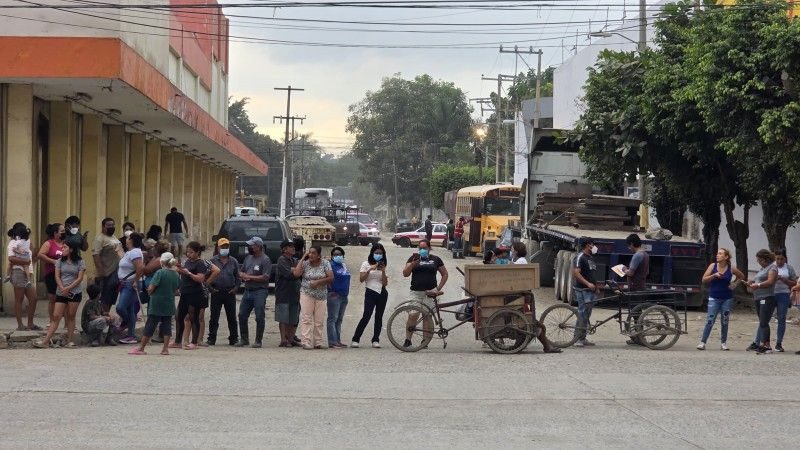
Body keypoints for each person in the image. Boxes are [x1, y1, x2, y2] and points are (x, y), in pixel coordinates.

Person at [33, 241, 86, 348]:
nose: (62, 249)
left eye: (65, 247)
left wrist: (68, 288)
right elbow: (57, 276)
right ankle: (45, 341)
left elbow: (79, 278)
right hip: (61, 292)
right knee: (56, 316)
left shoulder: (80, 262)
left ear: (71, 249)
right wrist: (62, 287)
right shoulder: (59, 261)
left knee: (71, 316)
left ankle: (70, 341)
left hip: (74, 292)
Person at [129, 252, 181, 356]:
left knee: (151, 324)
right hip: (169, 302)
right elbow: (176, 289)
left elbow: (151, 288)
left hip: (157, 302)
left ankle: (141, 348)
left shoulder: (160, 273)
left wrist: (149, 291)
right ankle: (165, 349)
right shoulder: (176, 274)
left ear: (162, 262)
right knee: (167, 325)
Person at [698, 248, 747, 351]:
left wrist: (735, 284)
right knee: (710, 320)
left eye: (720, 254)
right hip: (714, 297)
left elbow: (741, 276)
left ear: (726, 257)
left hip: (727, 298)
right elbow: (703, 280)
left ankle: (723, 343)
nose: (717, 255)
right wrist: (714, 275)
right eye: (717, 253)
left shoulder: (731, 268)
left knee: (725, 320)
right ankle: (703, 342)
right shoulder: (713, 266)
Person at [401, 239, 448, 348]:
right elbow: (405, 274)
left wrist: (438, 289)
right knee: (413, 315)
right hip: (416, 292)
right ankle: (408, 340)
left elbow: (445, 274)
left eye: (424, 248)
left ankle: (425, 341)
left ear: (429, 248)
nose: (422, 250)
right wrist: (412, 264)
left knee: (427, 316)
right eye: (420, 248)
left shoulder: (435, 259)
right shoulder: (413, 258)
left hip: (430, 292)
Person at [173, 241, 218, 350]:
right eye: (187, 252)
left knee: (194, 317)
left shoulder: (200, 263)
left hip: (195, 293)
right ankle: (177, 341)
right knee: (179, 316)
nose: (188, 254)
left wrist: (188, 273)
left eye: (191, 252)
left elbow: (200, 278)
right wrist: (180, 269)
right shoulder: (187, 261)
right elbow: (182, 272)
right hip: (185, 292)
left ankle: (194, 342)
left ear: (198, 252)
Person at [292, 245, 333, 349]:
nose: (311, 255)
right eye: (309, 252)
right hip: (307, 293)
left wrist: (318, 282)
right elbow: (296, 274)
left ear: (319, 255)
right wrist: (303, 257)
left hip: (321, 295)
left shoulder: (325, 263)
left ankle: (318, 342)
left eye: (313, 253)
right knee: (306, 318)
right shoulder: (305, 264)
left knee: (319, 320)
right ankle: (306, 341)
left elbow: (331, 278)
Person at [351, 243, 389, 348]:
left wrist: (383, 271)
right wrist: (370, 269)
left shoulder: (383, 265)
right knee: (366, 316)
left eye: (380, 253)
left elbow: (385, 283)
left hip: (382, 292)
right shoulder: (366, 263)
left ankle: (375, 339)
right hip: (370, 291)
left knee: (379, 317)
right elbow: (361, 279)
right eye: (376, 253)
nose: (378, 255)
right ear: (372, 253)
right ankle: (355, 339)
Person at [235, 237, 271, 348]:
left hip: (260, 291)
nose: (249, 247)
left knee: (259, 316)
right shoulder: (248, 258)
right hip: (248, 290)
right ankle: (244, 339)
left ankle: (258, 340)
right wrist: (241, 275)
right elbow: (242, 271)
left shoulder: (265, 259)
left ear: (259, 247)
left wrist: (250, 277)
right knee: (242, 315)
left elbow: (265, 277)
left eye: (252, 245)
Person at [6, 223, 41, 331]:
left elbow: (33, 255)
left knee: (33, 298)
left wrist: (33, 252)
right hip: (18, 272)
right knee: (19, 299)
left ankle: (30, 323)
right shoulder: (12, 243)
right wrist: (25, 262)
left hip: (27, 273)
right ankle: (20, 325)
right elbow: (11, 258)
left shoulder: (27, 242)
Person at [207, 238, 240, 346]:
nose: (224, 248)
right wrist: (210, 288)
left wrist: (236, 288)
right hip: (216, 291)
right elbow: (206, 276)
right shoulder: (212, 261)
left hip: (229, 291)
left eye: (226, 246)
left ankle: (234, 338)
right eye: (222, 246)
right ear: (218, 248)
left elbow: (238, 276)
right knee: (214, 317)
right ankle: (211, 338)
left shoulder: (234, 261)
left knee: (232, 317)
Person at [747, 249, 778, 354]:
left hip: (767, 297)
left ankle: (766, 346)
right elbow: (759, 279)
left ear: (765, 259)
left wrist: (758, 285)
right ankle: (762, 343)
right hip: (758, 297)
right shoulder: (762, 269)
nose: (758, 262)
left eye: (759, 260)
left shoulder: (772, 267)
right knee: (762, 321)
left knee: (764, 322)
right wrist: (752, 281)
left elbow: (770, 281)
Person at [115, 232, 145, 344]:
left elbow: (140, 267)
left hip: (131, 284)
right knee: (130, 309)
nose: (126, 239)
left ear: (131, 240)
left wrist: (136, 281)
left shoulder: (135, 252)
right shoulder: (130, 252)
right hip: (125, 283)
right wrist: (118, 251)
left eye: (128, 238)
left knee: (120, 307)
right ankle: (131, 335)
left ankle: (127, 322)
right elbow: (125, 263)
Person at [572, 238, 600, 347]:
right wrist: (588, 284)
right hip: (582, 290)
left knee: (587, 314)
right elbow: (576, 273)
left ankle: (583, 338)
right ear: (587, 245)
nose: (594, 247)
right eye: (592, 244)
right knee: (582, 313)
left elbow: (591, 274)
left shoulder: (590, 258)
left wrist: (596, 287)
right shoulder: (580, 257)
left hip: (590, 290)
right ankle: (576, 338)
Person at [37, 223, 66, 327]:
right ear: (55, 233)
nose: (64, 233)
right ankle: (52, 321)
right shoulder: (49, 243)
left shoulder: (66, 243)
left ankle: (67, 323)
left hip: (65, 274)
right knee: (53, 297)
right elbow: (40, 255)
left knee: (65, 298)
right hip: (51, 273)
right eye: (62, 231)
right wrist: (53, 261)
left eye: (64, 231)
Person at [93, 218, 123, 311]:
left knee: (111, 297)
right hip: (106, 273)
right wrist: (101, 271)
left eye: (112, 225)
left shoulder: (113, 237)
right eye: (108, 225)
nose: (111, 227)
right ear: (103, 226)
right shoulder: (99, 239)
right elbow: (96, 255)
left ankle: (106, 314)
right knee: (105, 297)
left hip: (116, 272)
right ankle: (103, 315)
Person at [275, 240, 301, 347]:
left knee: (293, 317)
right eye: (290, 246)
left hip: (294, 292)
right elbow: (290, 274)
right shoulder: (281, 260)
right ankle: (283, 340)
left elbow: (300, 271)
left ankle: (291, 339)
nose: (293, 248)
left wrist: (295, 269)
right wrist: (295, 270)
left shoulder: (294, 260)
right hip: (283, 292)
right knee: (283, 317)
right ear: (284, 249)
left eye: (293, 246)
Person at [771, 250, 796, 352]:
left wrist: (785, 280)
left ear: (785, 259)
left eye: (782, 259)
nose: (779, 261)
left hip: (784, 294)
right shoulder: (771, 267)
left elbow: (794, 283)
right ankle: (763, 342)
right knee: (765, 318)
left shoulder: (789, 268)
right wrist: (773, 278)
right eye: (777, 259)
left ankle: (778, 343)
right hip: (771, 294)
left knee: (781, 318)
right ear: (775, 258)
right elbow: (764, 279)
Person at [327, 247, 351, 349]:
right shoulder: (330, 265)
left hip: (344, 296)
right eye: (336, 255)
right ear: (332, 256)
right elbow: (327, 278)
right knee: (333, 318)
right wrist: (331, 290)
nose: (338, 256)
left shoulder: (343, 265)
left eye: (340, 254)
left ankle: (337, 340)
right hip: (334, 295)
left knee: (339, 319)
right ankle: (332, 341)